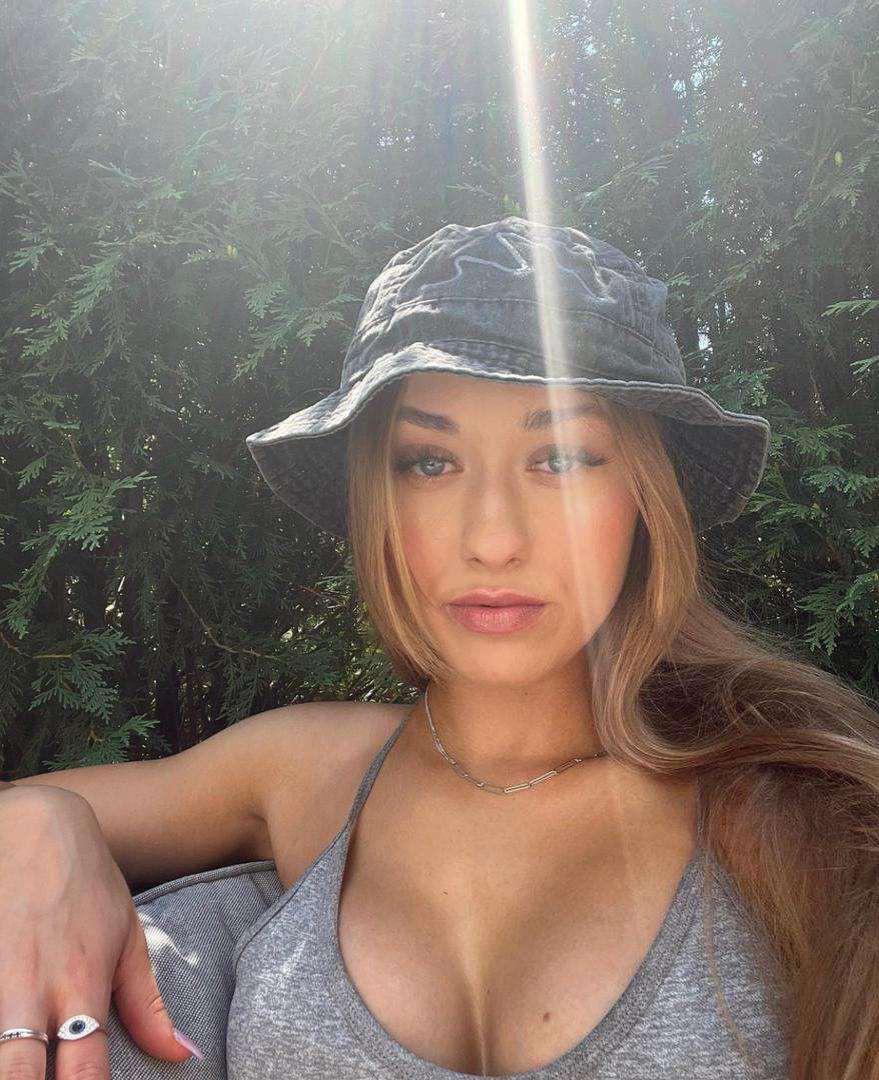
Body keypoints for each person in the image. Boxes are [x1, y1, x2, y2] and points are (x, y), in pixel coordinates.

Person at [2, 216, 878, 1080]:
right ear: (376, 496)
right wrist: (43, 823)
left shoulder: (802, 807)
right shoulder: (306, 771)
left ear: (646, 497)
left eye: (561, 458)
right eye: (429, 462)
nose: (492, 540)